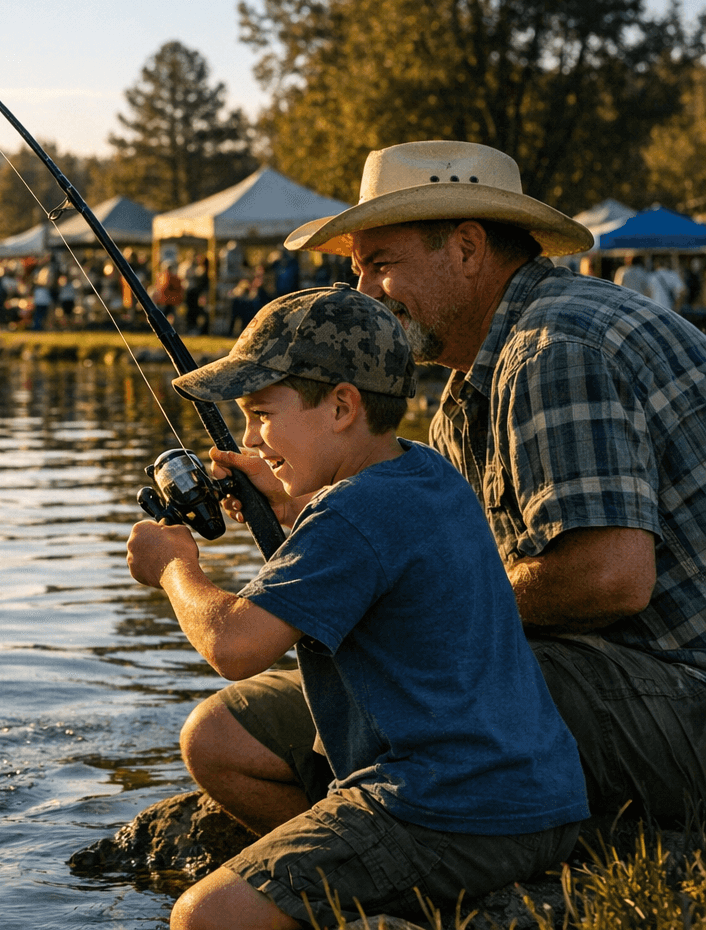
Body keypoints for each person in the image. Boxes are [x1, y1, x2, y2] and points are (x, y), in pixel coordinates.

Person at [187, 140, 706, 851]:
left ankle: (438, 859)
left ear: (465, 247)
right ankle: (366, 879)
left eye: (381, 265)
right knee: (224, 736)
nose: (363, 294)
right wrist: (300, 518)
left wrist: (405, 606)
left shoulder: (556, 347)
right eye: (356, 269)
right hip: (626, 684)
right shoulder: (466, 395)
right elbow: (439, 559)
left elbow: (611, 578)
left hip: (682, 697)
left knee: (410, 694)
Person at [127, 286, 586, 928]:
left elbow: (233, 647)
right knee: (217, 736)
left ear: (342, 405)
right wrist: (290, 510)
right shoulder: (424, 472)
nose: (252, 439)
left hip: (450, 810)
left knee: (203, 917)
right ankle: (339, 883)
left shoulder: (350, 516)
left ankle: (351, 882)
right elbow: (369, 564)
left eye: (262, 414)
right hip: (540, 799)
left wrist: (173, 566)